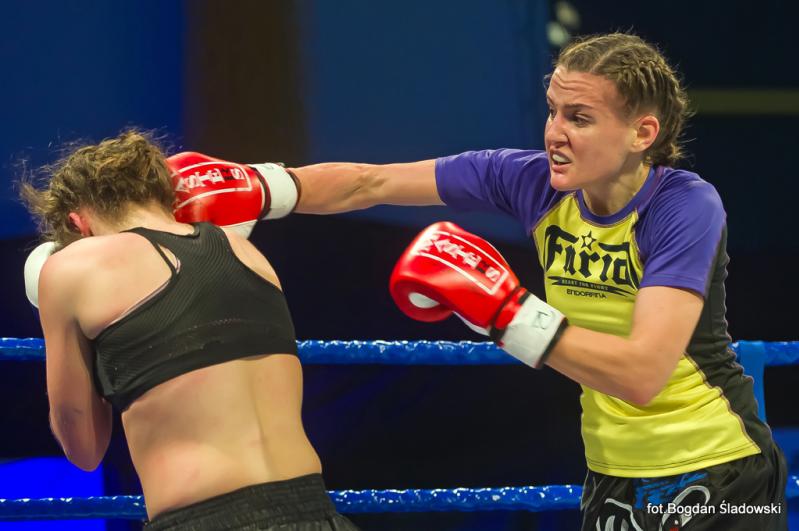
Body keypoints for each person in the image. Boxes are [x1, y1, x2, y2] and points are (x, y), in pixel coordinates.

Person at [198, 32, 785, 529]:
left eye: (580, 118)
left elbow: (642, 374)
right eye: (553, 110)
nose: (554, 133)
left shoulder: (683, 206)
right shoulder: (529, 181)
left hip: (718, 468)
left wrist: (507, 313)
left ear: (642, 133)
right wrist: (266, 187)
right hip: (614, 472)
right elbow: (370, 183)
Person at [21, 131, 358, 530]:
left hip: (205, 519)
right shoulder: (245, 250)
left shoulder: (72, 267)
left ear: (78, 223)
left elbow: (85, 448)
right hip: (317, 512)